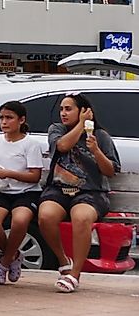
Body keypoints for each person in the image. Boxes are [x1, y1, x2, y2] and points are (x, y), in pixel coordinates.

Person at [38, 93, 120, 293]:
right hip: (58, 189)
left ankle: (75, 274)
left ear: (83, 110)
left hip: (91, 192)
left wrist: (96, 151)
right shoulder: (56, 130)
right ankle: (63, 261)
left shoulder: (100, 136)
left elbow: (110, 170)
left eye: (69, 109)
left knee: (81, 217)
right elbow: (63, 146)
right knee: (46, 216)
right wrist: (81, 125)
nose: (64, 113)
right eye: (62, 109)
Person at [0, 101, 44, 284]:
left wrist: (10, 173)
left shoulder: (30, 144)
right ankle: (13, 255)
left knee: (20, 220)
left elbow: (35, 176)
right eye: (1, 118)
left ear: (21, 120)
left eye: (9, 118)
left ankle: (4, 262)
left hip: (25, 192)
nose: (4, 122)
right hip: (1, 190)